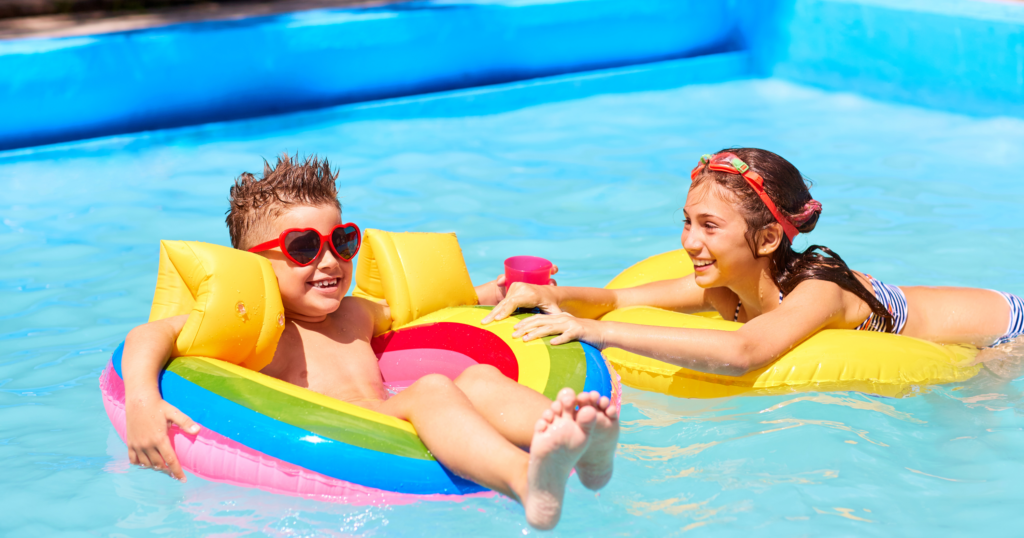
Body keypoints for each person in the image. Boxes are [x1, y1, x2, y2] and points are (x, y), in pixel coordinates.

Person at [121, 154, 619, 530]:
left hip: (393, 417)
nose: (330, 261)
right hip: (344, 438)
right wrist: (142, 401)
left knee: (479, 376)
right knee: (431, 389)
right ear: (253, 265)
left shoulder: (355, 314)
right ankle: (524, 481)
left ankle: (578, 444)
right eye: (302, 247)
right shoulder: (257, 330)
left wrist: (503, 290)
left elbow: (430, 307)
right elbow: (150, 335)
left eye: (342, 241)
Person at [483, 148, 1024, 377]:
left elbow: (745, 351)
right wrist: (546, 297)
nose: (690, 241)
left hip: (1007, 337)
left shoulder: (817, 291)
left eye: (710, 227)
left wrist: (597, 334)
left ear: (766, 238)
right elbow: (620, 298)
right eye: (688, 221)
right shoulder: (724, 288)